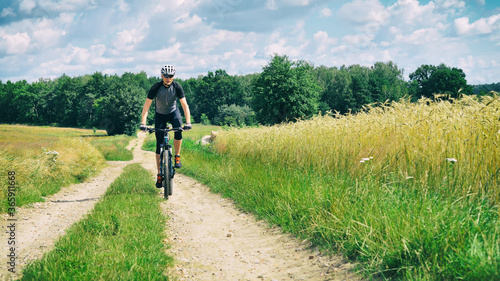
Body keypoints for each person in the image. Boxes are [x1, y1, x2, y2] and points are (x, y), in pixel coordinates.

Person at [140, 65, 191, 188]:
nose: (168, 78)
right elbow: (146, 106)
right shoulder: (156, 87)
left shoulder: (177, 87)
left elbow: (184, 105)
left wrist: (188, 122)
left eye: (171, 76)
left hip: (173, 112)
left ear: (174, 76)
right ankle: (159, 174)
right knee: (159, 144)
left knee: (178, 129)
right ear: (162, 75)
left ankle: (177, 156)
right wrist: (143, 123)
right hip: (160, 115)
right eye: (166, 76)